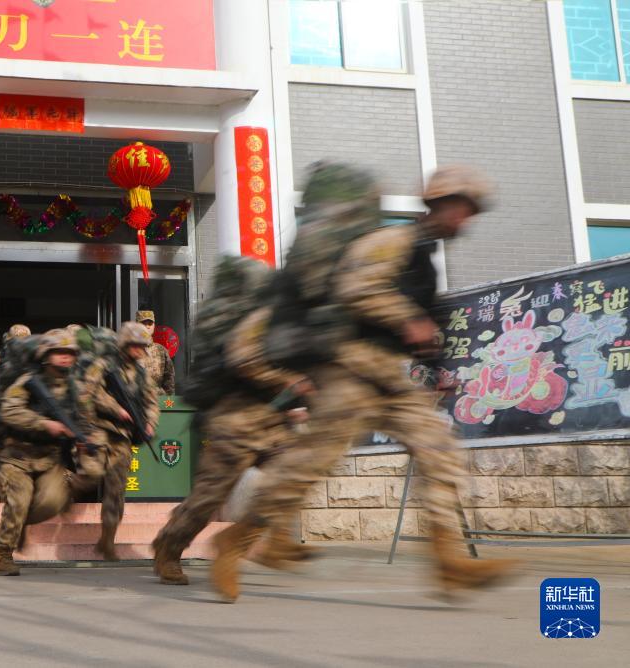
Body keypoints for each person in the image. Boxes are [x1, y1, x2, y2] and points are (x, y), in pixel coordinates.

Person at [209, 164, 517, 603]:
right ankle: (236, 540)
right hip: (348, 369)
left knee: (440, 451)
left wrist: (436, 369)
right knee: (310, 463)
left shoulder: (423, 255)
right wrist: (406, 319)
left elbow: (420, 326)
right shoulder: (394, 241)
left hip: (387, 376)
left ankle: (450, 563)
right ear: (441, 203)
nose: (465, 221)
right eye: (463, 209)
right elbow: (355, 287)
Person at [151, 307, 313, 584]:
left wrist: (299, 402)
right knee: (207, 499)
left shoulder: (293, 322)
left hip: (272, 422)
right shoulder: (257, 318)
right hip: (233, 421)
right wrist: (289, 382)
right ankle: (168, 549)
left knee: (289, 477)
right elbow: (245, 361)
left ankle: (275, 540)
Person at [0, 329, 94, 576]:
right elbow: (9, 411)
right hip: (17, 456)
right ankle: (3, 554)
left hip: (50, 459)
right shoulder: (27, 382)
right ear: (46, 355)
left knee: (53, 503)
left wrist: (83, 437)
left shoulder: (76, 388)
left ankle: (19, 523)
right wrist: (44, 424)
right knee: (19, 500)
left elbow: (85, 419)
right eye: (59, 351)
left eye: (70, 352)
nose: (65, 356)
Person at [80, 322, 160, 561]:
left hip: (122, 436)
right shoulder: (103, 365)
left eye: (142, 346)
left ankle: (107, 540)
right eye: (136, 345)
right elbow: (89, 392)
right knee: (91, 473)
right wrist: (116, 408)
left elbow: (152, 402)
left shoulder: (141, 374)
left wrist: (150, 422)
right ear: (125, 344)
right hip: (98, 428)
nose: (140, 350)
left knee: (116, 490)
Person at [136, 310, 175, 394]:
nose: (147, 326)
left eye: (150, 324)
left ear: (154, 326)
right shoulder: (131, 348)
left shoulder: (161, 350)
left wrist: (168, 398)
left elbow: (169, 378)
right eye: (143, 323)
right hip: (135, 398)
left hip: (157, 398)